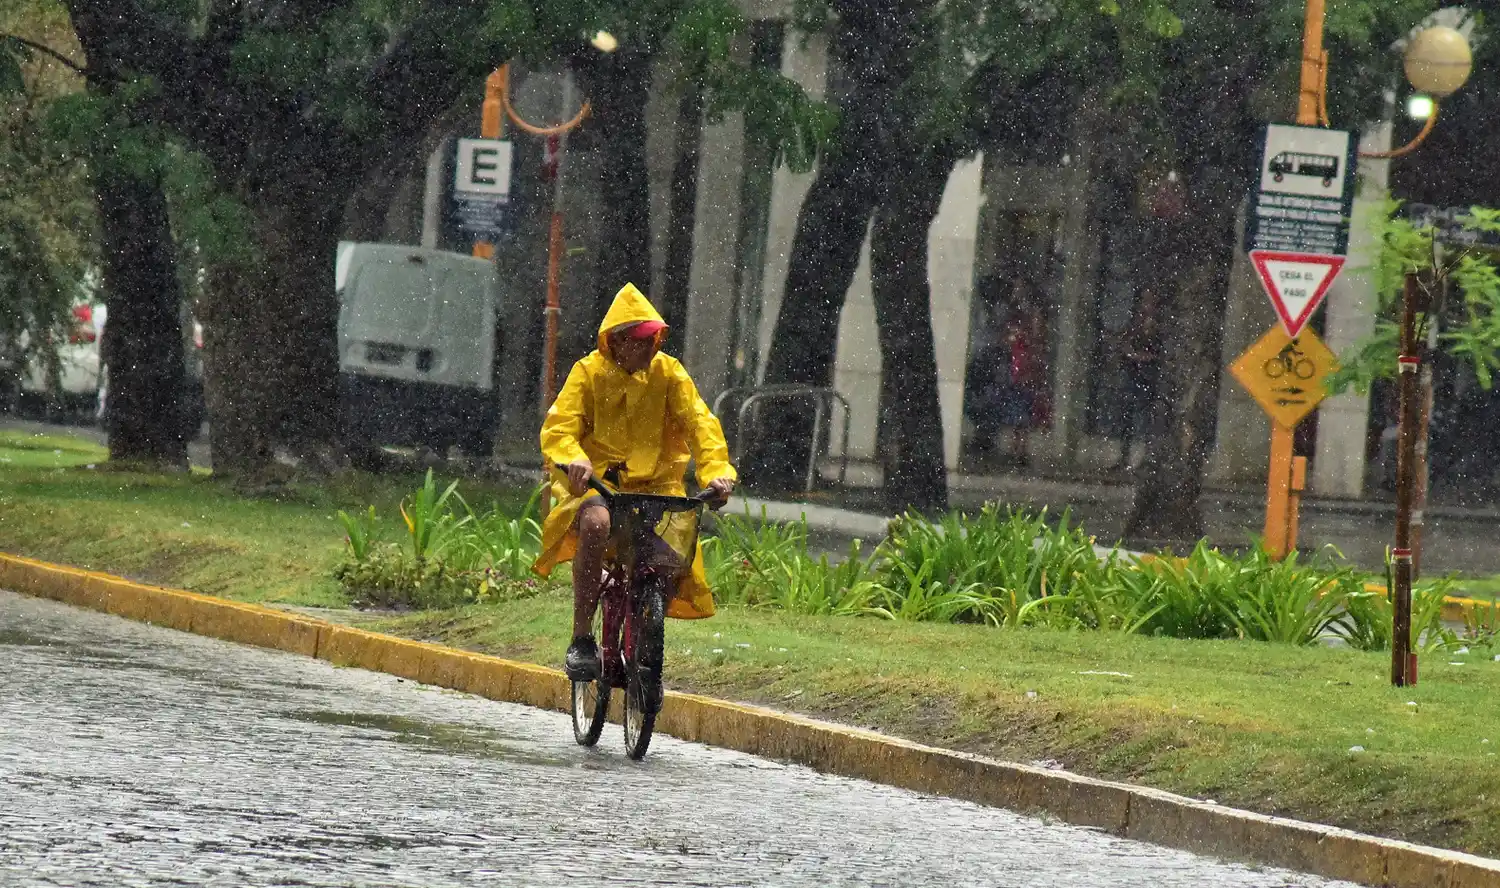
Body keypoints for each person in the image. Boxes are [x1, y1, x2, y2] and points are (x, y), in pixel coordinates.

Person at [532, 282, 737, 681]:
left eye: (654, 339)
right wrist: (574, 459)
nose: (651, 348)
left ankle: (646, 638)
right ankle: (581, 641)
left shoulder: (669, 373)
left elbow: (702, 426)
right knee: (596, 525)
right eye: (642, 341)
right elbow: (559, 428)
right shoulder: (588, 373)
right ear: (618, 342)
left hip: (658, 489)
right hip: (599, 486)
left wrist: (718, 475)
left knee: (665, 556)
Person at [1116, 288, 1163, 471]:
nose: (1147, 305)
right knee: (1126, 416)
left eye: (1150, 301)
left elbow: (1157, 351)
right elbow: (1125, 342)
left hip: (1148, 376)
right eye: (1144, 301)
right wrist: (1131, 353)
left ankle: (1145, 458)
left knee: (1145, 418)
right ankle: (1124, 457)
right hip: (1132, 373)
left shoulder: (1158, 324)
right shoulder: (1135, 322)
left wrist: (1145, 356)